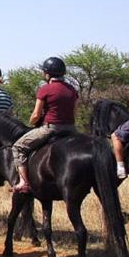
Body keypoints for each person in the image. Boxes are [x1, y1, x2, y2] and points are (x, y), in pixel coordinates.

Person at [11, 57, 79, 193]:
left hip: (51, 128)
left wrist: (32, 122)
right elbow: (74, 113)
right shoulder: (72, 90)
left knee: (18, 147)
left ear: (48, 74)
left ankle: (24, 182)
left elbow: (36, 115)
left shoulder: (45, 89)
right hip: (71, 129)